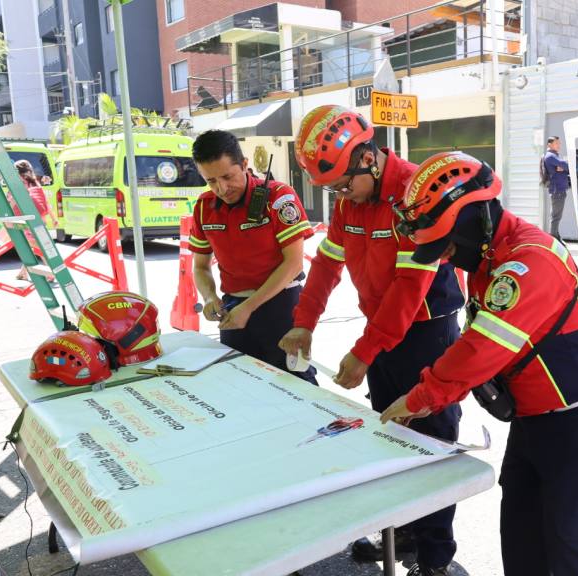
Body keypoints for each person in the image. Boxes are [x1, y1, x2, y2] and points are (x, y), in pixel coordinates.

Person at [381, 151, 578, 576]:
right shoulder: (490, 258)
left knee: (572, 557)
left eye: (449, 246)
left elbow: (480, 348)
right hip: (532, 426)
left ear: (477, 220)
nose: (445, 258)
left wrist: (419, 399)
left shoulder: (531, 261)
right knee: (522, 546)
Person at [278, 105, 464, 576]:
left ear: (368, 158)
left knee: (432, 444)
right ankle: (400, 531)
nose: (341, 196)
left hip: (426, 332)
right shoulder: (349, 202)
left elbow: (408, 289)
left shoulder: (415, 193)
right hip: (381, 334)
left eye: (343, 184)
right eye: (332, 189)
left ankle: (434, 557)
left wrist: (364, 351)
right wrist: (304, 321)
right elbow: (327, 262)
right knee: (390, 436)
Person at [188, 129, 316, 384]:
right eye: (211, 181)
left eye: (228, 176)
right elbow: (200, 267)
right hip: (233, 308)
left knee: (295, 381)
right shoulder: (204, 208)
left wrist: (249, 306)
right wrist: (210, 297)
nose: (222, 188)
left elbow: (293, 263)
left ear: (245, 165)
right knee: (239, 382)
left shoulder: (279, 197)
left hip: (282, 305)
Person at [9, 159, 55, 281]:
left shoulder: (19, 184)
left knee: (36, 247)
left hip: (27, 222)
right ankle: (23, 273)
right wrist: (53, 217)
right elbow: (45, 202)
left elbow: (13, 202)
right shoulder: (35, 182)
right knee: (30, 247)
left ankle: (50, 272)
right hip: (39, 220)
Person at [541, 136, 570, 241]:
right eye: (556, 143)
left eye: (559, 143)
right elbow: (566, 165)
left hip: (558, 190)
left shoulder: (554, 156)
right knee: (556, 217)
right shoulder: (551, 156)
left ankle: (556, 236)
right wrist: (563, 167)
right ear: (550, 144)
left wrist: (562, 168)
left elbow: (565, 167)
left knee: (556, 216)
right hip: (557, 191)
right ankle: (553, 239)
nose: (559, 145)